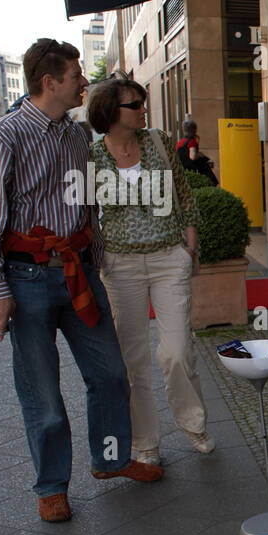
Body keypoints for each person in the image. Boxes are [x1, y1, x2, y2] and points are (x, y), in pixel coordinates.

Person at [0, 38, 163, 524]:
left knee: (111, 374)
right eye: (76, 76)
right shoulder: (3, 136)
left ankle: (110, 459)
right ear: (49, 82)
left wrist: (96, 261)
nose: (83, 83)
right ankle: (52, 487)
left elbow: (88, 207)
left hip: (78, 274)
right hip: (25, 278)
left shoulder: (76, 137)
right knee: (44, 395)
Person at [87, 75, 214, 466]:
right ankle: (146, 442)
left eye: (143, 103)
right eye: (135, 105)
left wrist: (190, 247)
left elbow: (184, 195)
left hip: (167, 259)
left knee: (177, 351)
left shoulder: (157, 141)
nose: (143, 109)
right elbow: (86, 214)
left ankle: (192, 423)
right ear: (111, 112)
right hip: (120, 266)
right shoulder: (93, 156)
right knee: (133, 359)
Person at [175, 119, 219, 185]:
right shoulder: (191, 141)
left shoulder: (180, 142)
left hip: (183, 169)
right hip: (193, 169)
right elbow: (192, 156)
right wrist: (200, 155)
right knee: (210, 180)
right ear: (194, 129)